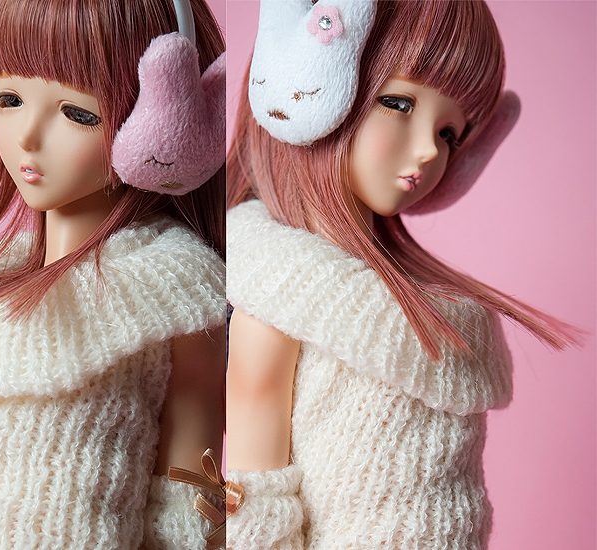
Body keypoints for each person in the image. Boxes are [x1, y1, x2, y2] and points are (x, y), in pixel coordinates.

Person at [0, 0, 226, 548]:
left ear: (158, 128)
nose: (27, 134)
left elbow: (189, 497)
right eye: (9, 99)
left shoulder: (173, 291)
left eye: (77, 114)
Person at [225, 1, 579, 549]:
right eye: (398, 103)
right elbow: (256, 506)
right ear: (307, 81)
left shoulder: (438, 312)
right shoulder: (274, 295)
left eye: (450, 134)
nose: (429, 151)